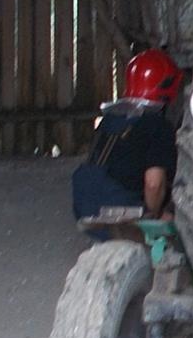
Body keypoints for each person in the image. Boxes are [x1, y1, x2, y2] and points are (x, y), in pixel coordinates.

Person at [71, 49, 184, 239]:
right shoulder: (158, 125)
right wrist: (155, 215)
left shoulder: (110, 118)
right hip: (121, 207)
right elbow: (154, 183)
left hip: (84, 204)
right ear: (167, 86)